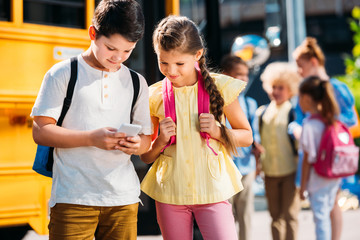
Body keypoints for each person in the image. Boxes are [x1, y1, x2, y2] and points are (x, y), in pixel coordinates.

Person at [31, 1, 152, 239]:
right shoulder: (62, 73)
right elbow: (41, 131)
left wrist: (137, 145)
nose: (118, 57)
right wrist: (91, 138)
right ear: (92, 33)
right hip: (73, 198)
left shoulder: (137, 82)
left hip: (123, 199)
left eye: (127, 51)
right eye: (110, 48)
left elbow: (146, 139)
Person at [140, 15, 253, 240]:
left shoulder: (221, 87)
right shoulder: (153, 97)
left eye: (179, 64)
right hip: (170, 193)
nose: (171, 71)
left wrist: (219, 131)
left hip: (212, 189)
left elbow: (247, 136)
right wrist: (160, 141)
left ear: (197, 55)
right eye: (163, 62)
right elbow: (146, 157)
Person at [292, 37, 357, 240]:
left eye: (300, 66)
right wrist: (296, 128)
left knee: (327, 208)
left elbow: (353, 122)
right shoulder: (305, 92)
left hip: (329, 157)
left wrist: (326, 125)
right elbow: (298, 120)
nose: (298, 71)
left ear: (313, 61)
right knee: (327, 206)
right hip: (316, 157)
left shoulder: (336, 89)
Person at [220, 54, 264, 240]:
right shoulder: (217, 102)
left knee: (245, 216)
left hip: (246, 168)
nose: (244, 79)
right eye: (238, 74)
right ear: (225, 75)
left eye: (246, 75)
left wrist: (258, 159)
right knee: (225, 219)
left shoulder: (250, 103)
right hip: (223, 169)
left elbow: (254, 136)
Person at [257, 62, 301, 240]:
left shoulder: (294, 112)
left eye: (280, 87)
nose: (276, 91)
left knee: (290, 216)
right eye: (273, 87)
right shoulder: (262, 112)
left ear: (290, 89)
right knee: (275, 216)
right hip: (269, 172)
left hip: (290, 171)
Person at [299, 76, 342, 240]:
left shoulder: (309, 125)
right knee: (327, 212)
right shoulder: (330, 121)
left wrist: (302, 187)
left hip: (317, 180)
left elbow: (307, 160)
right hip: (333, 177)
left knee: (321, 218)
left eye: (300, 97)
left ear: (307, 98)